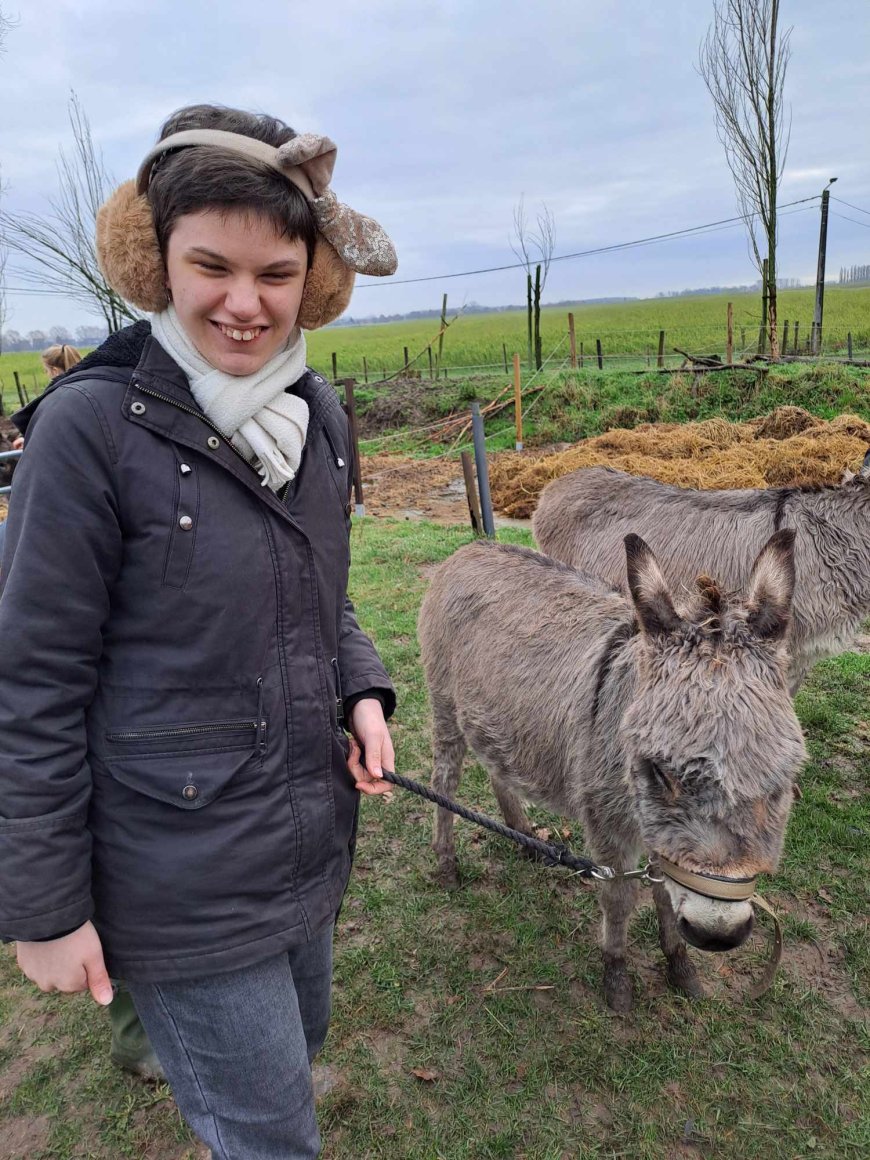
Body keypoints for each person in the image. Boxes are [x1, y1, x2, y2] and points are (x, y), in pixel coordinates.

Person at [0, 103, 398, 1158]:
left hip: (304, 833)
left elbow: (322, 593)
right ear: (155, 258)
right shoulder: (88, 431)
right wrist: (41, 906)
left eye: (274, 275)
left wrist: (360, 688)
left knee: (300, 1041)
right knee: (271, 1134)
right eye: (210, 265)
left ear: (312, 277)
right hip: (172, 870)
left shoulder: (317, 418)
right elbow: (29, 679)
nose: (242, 303)